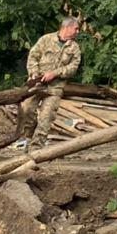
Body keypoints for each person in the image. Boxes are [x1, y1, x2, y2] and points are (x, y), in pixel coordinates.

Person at [21, 16, 82, 147]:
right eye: (76, 29)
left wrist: (55, 73)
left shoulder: (74, 48)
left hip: (55, 88)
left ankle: (37, 146)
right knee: (26, 109)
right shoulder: (46, 39)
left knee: (46, 117)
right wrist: (34, 74)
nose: (78, 32)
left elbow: (73, 68)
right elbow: (33, 56)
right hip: (37, 84)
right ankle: (26, 137)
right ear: (67, 27)